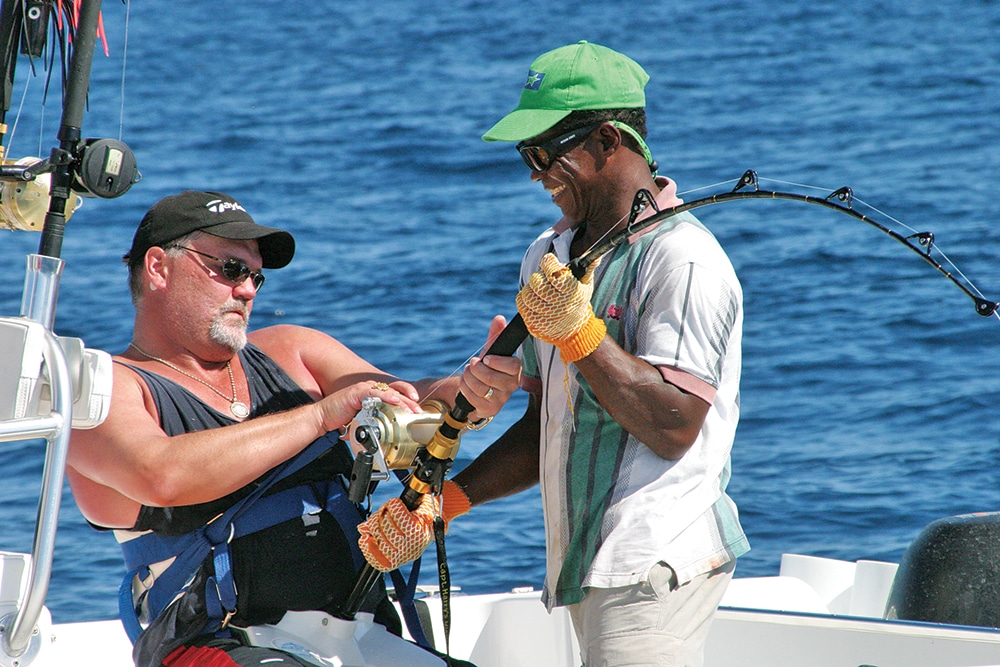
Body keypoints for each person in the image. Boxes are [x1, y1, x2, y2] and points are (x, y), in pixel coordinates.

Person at [371, 42, 750, 667]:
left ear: (607, 140)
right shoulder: (550, 256)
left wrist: (581, 337)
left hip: (655, 566)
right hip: (585, 566)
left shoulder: (683, 259)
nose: (535, 173)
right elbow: (549, 425)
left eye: (546, 151)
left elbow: (675, 424)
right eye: (528, 154)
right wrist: (447, 504)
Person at [66, 190, 521, 667]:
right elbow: (160, 474)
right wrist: (321, 416)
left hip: (356, 635)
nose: (247, 290)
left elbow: (409, 399)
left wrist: (471, 395)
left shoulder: (294, 349)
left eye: (255, 277)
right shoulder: (103, 388)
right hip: (216, 643)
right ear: (159, 267)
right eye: (230, 269)